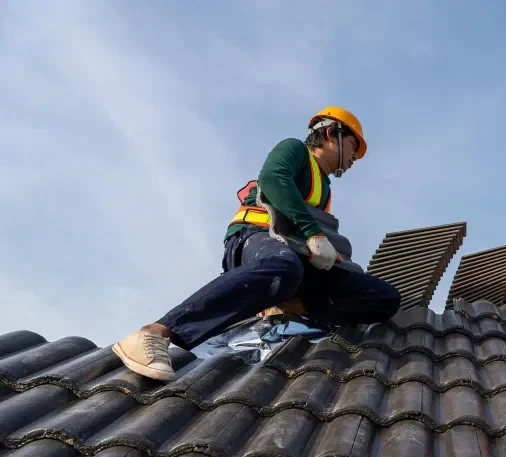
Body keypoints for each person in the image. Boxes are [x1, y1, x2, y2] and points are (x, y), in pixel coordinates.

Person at [111, 106, 401, 382]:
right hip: (257, 240)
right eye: (353, 145)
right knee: (282, 267)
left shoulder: (324, 188)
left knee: (382, 297)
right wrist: (314, 235)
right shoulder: (295, 150)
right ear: (330, 134)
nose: (355, 157)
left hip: (296, 258)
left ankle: (288, 304)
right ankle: (156, 333)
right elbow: (272, 178)